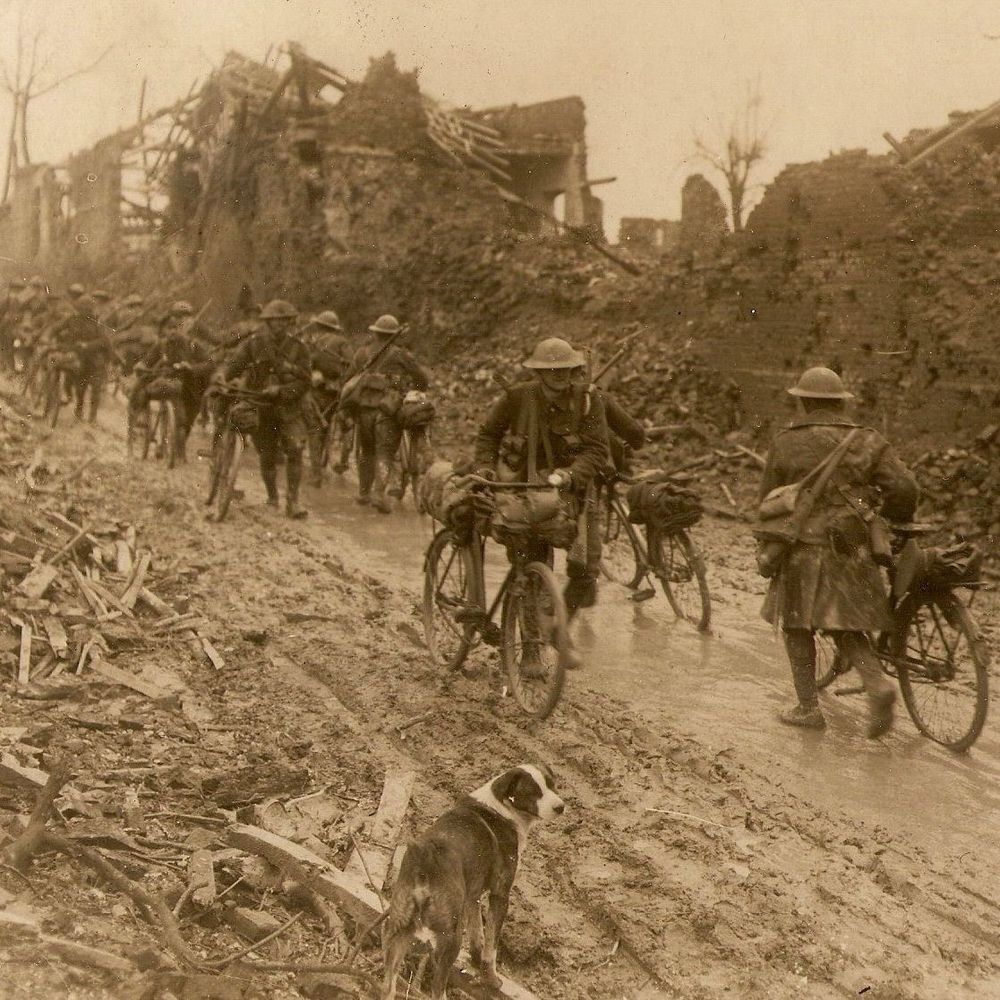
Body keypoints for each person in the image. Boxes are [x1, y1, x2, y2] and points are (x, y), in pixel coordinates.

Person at [758, 366, 918, 737]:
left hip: (803, 547)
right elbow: (905, 488)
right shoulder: (868, 440)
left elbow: (768, 502)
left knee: (797, 624)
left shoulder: (785, 442)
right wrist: (886, 517)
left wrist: (765, 546)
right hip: (853, 546)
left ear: (804, 402)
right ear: (840, 403)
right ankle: (877, 684)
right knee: (845, 623)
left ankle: (807, 708)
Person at [474, 337, 611, 618]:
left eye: (565, 369)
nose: (559, 376)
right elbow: (488, 435)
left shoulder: (587, 400)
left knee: (586, 569)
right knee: (530, 564)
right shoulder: (517, 397)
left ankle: (560, 631)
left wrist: (569, 475)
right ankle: (530, 650)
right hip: (527, 493)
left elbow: (597, 450)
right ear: (537, 372)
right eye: (551, 370)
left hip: (575, 494)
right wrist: (485, 466)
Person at [224, 298, 311, 519]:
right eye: (275, 321)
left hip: (289, 408)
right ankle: (272, 496)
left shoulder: (299, 348)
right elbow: (234, 366)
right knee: (267, 454)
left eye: (284, 321)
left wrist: (282, 391)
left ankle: (293, 501)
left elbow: (305, 381)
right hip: (260, 406)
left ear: (290, 323)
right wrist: (223, 379)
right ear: (268, 322)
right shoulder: (254, 344)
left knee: (296, 450)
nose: (280, 325)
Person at [345, 314, 428, 513]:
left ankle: (364, 492)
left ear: (375, 333)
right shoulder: (401, 355)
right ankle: (379, 494)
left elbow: (349, 379)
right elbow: (422, 379)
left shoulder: (362, 353)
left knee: (367, 450)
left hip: (364, 409)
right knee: (385, 452)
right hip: (388, 411)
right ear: (394, 335)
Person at [131, 301, 214, 450]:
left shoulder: (193, 344)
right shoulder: (163, 344)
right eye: (174, 321)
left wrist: (192, 368)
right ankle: (142, 419)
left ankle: (179, 448)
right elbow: (149, 360)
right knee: (143, 386)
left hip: (191, 384)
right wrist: (142, 366)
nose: (178, 325)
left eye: (184, 319)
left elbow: (209, 364)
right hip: (170, 380)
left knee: (187, 420)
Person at [301, 309, 352, 487]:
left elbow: (305, 364)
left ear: (320, 326)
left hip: (317, 390)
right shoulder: (342, 342)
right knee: (327, 424)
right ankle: (337, 458)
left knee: (314, 429)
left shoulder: (314, 342)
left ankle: (316, 475)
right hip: (336, 392)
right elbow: (349, 365)